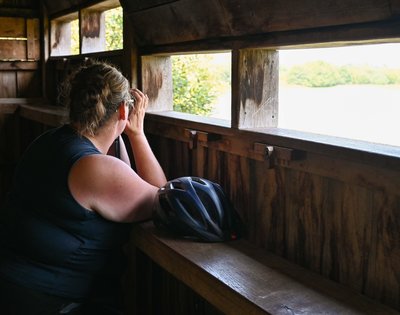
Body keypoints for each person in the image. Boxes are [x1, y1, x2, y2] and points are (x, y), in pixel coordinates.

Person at [0, 60, 167, 314]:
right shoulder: (93, 168)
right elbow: (163, 200)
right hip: (47, 300)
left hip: (13, 285)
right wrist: (137, 134)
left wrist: (120, 131)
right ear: (124, 110)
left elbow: (120, 174)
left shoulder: (49, 141)